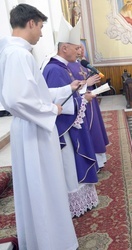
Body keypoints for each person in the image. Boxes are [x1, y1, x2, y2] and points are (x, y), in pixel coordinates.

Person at [0, 4, 79, 249]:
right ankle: (51, 241)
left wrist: (67, 89)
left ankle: (45, 239)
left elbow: (36, 92)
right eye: (41, 26)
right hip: (34, 129)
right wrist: (50, 110)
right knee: (44, 186)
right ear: (31, 23)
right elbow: (16, 98)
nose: (42, 33)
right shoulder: (19, 54)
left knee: (41, 185)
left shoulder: (11, 51)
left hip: (29, 126)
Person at [42, 18, 99, 218]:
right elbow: (60, 104)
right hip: (65, 130)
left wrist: (80, 97)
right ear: (64, 48)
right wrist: (85, 98)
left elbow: (68, 96)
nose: (79, 52)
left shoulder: (62, 66)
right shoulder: (55, 69)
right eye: (76, 48)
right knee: (68, 166)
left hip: (71, 123)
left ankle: (78, 199)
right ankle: (71, 202)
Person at [68, 45, 109, 169]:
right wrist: (87, 83)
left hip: (91, 100)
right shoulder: (67, 66)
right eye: (77, 48)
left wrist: (94, 82)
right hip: (81, 102)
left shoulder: (83, 64)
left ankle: (99, 160)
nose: (80, 50)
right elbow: (70, 87)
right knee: (89, 130)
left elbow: (88, 80)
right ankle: (91, 161)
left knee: (95, 129)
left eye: (81, 48)